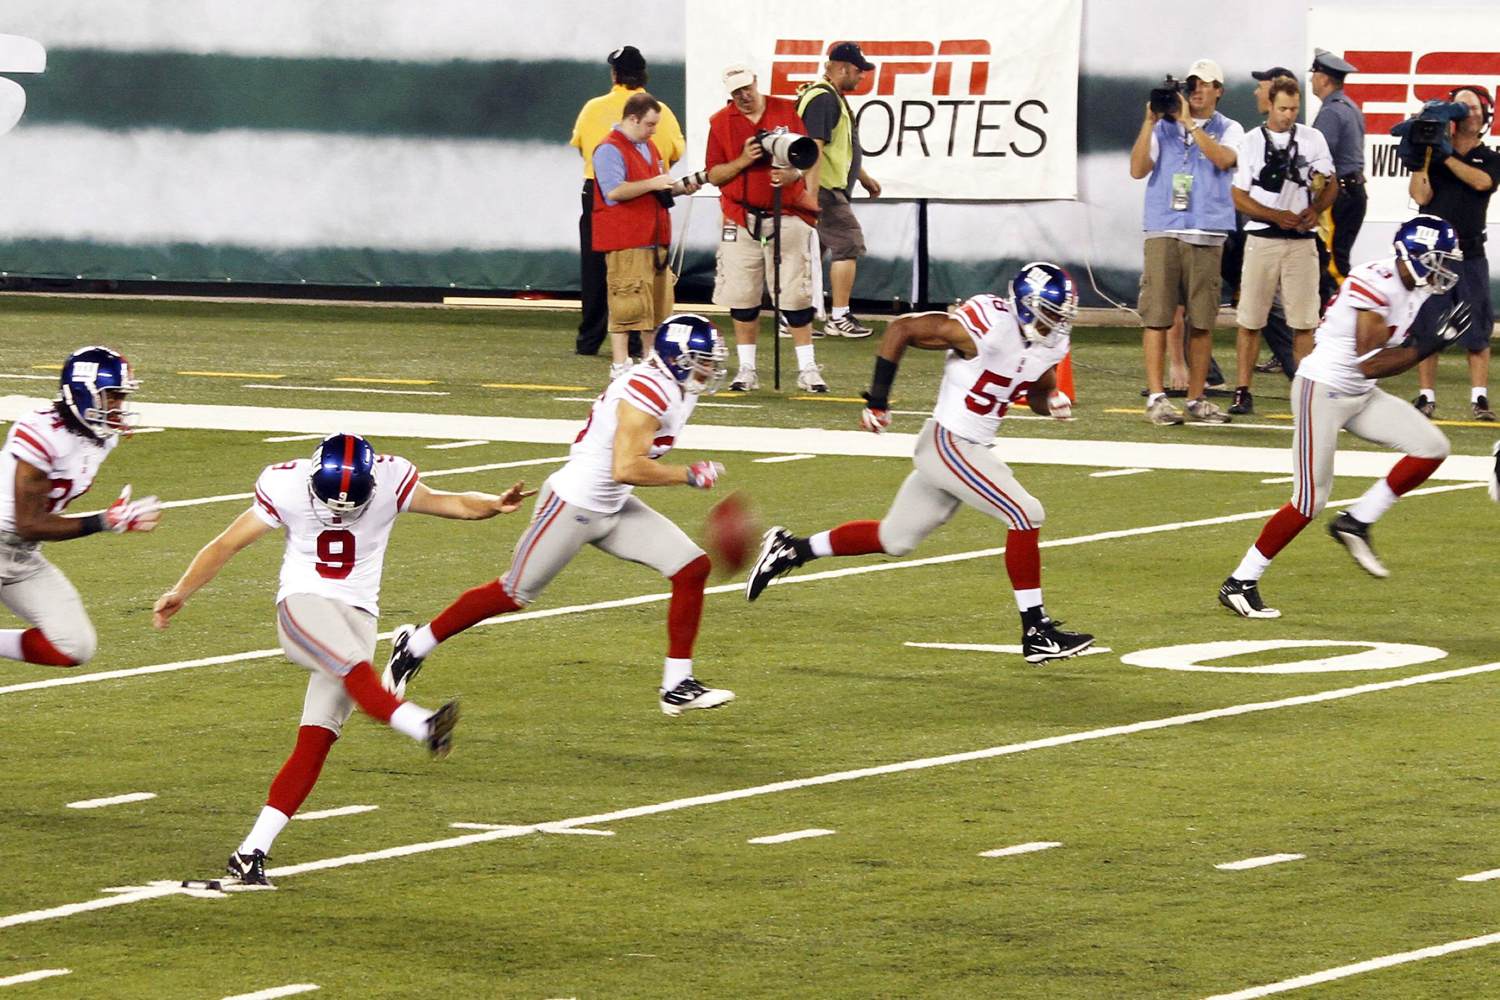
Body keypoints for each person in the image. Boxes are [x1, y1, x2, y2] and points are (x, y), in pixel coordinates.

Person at [152, 433, 533, 887]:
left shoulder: (391, 478)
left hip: (359, 616)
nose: (340, 511)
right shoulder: (286, 483)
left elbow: (453, 503)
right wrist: (181, 590)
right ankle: (421, 725)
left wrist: (493, 502)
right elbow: (225, 544)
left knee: (316, 740)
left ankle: (250, 852)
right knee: (357, 671)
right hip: (304, 605)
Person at [384, 315, 736, 717]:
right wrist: (687, 475)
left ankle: (676, 685)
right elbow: (626, 467)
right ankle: (414, 645)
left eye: (710, 360)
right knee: (512, 593)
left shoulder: (676, 385)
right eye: (701, 359)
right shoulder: (646, 392)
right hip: (573, 505)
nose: (708, 368)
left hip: (614, 505)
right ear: (676, 358)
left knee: (692, 568)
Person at [744, 263, 1095, 664]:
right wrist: (877, 400)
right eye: (1050, 314)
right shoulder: (988, 324)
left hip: (970, 446)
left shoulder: (1052, 342)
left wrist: (1051, 402)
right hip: (948, 442)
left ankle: (791, 550)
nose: (1056, 323)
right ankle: (1036, 630)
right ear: (1025, 306)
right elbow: (901, 329)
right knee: (1025, 512)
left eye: (1061, 314)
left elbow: (1037, 391)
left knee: (896, 539)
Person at [1219, 216, 1464, 618]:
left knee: (1433, 447)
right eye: (1439, 259)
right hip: (1324, 390)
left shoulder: (1413, 284)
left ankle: (1356, 522)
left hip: (1360, 394)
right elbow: (1370, 363)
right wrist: (1429, 346)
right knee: (1308, 501)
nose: (1444, 269)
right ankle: (1241, 581)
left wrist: (1426, 343)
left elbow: (1375, 360)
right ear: (1414, 254)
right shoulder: (1378, 280)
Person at [0, 346, 160, 668]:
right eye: (111, 396)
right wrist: (104, 521)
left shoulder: (101, 436)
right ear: (82, 393)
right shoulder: (41, 432)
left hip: (21, 553)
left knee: (74, 645)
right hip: (11, 534)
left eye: (121, 397)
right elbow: (28, 523)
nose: (118, 406)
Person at [1129, 58, 1242, 426]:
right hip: (1164, 227)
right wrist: (1150, 122)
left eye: (1205, 83)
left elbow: (1223, 160)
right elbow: (1137, 169)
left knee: (1203, 321)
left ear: (1218, 90)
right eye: (1191, 83)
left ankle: (1196, 398)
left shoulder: (1231, 128)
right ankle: (1158, 398)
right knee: (1157, 317)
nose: (1196, 89)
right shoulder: (1162, 128)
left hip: (1206, 230)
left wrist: (1190, 124)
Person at [706, 63, 828, 394]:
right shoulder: (720, 122)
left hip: (786, 212)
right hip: (740, 216)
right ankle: (747, 368)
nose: (743, 96)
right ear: (729, 94)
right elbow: (714, 175)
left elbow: (811, 153)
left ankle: (808, 368)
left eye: (747, 88)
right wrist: (744, 160)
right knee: (743, 296)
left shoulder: (787, 109)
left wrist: (796, 177)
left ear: (756, 83)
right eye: (736, 92)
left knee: (795, 295)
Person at [570, 46, 686, 363]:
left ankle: (589, 339)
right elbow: (674, 152)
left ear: (614, 74)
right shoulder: (660, 110)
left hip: (598, 190)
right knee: (642, 273)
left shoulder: (594, 109)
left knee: (596, 271)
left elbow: (580, 146)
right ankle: (635, 345)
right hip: (644, 192)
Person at [1228, 77, 1336, 415]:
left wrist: (1315, 209)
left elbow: (1332, 184)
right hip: (1262, 237)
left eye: (1293, 108)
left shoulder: (1312, 138)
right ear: (1270, 106)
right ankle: (1242, 390)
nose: (1289, 115)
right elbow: (1239, 196)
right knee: (1250, 319)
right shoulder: (1250, 142)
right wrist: (1275, 215)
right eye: (1283, 108)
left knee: (1304, 321)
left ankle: (1307, 392)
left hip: (1302, 239)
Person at [592, 92, 698, 381]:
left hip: (655, 238)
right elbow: (613, 191)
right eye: (650, 124)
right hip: (626, 238)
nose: (654, 130)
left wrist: (681, 187)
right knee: (626, 303)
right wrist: (653, 182)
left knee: (656, 308)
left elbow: (657, 189)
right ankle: (620, 364)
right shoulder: (608, 149)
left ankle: (650, 362)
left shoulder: (649, 147)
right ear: (633, 119)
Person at [1408, 85, 1499, 422]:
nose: (1468, 113)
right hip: (1433, 255)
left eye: (1474, 107)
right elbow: (1420, 194)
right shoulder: (1434, 154)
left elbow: (1481, 183)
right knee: (1428, 325)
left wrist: (1444, 154)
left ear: (1485, 115)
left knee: (1476, 329)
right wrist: (1422, 159)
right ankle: (1426, 396)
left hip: (1471, 252)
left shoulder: (1489, 157)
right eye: (1461, 107)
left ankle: (1479, 399)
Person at [797, 40, 881, 339]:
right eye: (860, 71)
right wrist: (811, 193)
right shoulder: (823, 99)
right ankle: (839, 316)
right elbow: (815, 149)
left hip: (823, 187)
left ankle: (792, 317)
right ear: (843, 68)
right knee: (848, 243)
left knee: (811, 254)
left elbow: (838, 148)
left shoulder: (826, 96)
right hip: (824, 190)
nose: (862, 77)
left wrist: (863, 176)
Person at [1309, 50, 1366, 302]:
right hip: (1353, 192)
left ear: (1324, 79)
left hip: (1339, 196)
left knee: (1333, 265)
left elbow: (1318, 158)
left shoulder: (1331, 112)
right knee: (1337, 260)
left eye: (1315, 75)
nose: (1312, 80)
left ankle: (1350, 315)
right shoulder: (1350, 108)